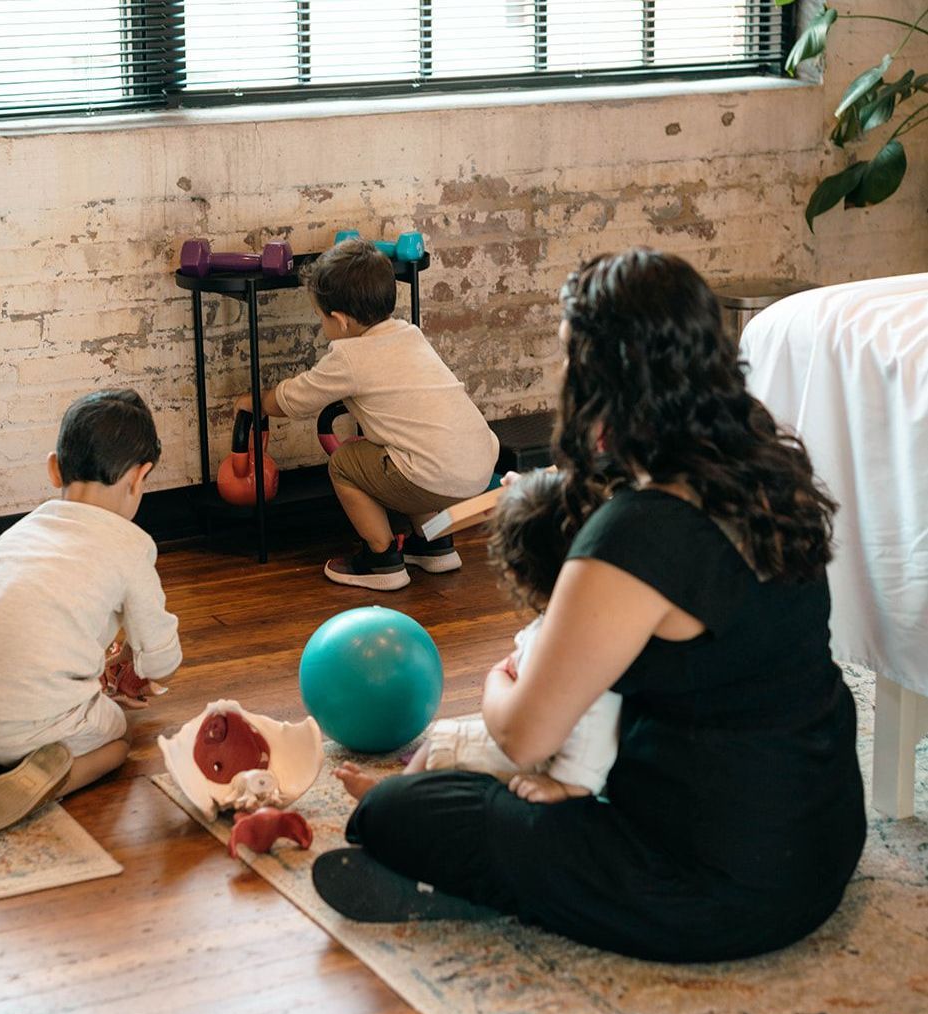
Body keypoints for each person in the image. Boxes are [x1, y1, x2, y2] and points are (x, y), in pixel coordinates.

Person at [312, 248, 867, 963]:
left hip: (712, 885)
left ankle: (480, 887)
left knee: (396, 810)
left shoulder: (638, 531)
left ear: (600, 376)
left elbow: (525, 736)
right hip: (822, 838)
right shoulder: (765, 464)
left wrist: (499, 681)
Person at [0, 388, 182, 835]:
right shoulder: (131, 546)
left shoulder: (17, 533)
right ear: (140, 478)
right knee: (120, 739)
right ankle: (49, 778)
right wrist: (140, 667)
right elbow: (162, 660)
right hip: (28, 724)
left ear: (54, 468)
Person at [335, 467, 621, 805]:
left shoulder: (561, 639)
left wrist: (568, 783)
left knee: (442, 742)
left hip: (554, 762)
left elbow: (598, 718)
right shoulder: (601, 613)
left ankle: (390, 801)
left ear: (516, 575)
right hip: (551, 742)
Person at [233, 238, 498, 591]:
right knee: (407, 451)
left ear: (340, 321)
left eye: (321, 317)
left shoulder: (350, 357)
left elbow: (295, 400)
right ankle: (434, 544)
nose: (322, 324)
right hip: (478, 465)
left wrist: (255, 401)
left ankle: (381, 559)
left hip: (433, 474)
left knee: (346, 463)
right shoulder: (410, 335)